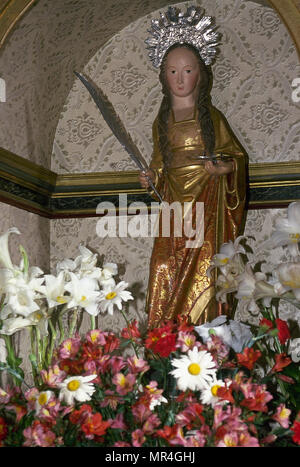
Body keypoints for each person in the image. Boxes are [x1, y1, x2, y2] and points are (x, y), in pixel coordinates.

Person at [139, 7, 247, 329]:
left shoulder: (211, 119)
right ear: (163, 75)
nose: (180, 78)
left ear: (200, 74)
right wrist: (150, 177)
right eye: (173, 71)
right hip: (174, 208)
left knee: (207, 276)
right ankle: (165, 339)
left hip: (208, 206)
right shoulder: (162, 121)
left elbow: (236, 160)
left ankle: (206, 338)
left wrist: (222, 170)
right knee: (162, 267)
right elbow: (160, 164)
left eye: (187, 70)